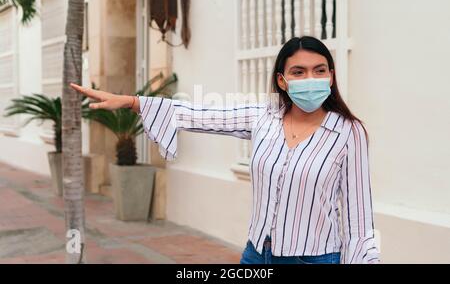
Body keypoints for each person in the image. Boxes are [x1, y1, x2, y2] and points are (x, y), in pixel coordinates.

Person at [70, 36, 380, 264]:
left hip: (314, 258)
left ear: (331, 76)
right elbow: (203, 115)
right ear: (282, 81)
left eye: (319, 70)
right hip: (257, 254)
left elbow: (359, 219)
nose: (310, 79)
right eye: (299, 72)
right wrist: (133, 102)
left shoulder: (348, 132)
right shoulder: (265, 116)